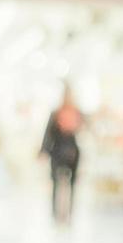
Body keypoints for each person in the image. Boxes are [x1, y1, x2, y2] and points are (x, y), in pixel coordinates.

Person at [40, 88, 83, 224]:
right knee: (60, 184)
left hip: (66, 152)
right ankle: (59, 213)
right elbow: (48, 134)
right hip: (64, 152)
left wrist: (44, 150)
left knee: (67, 184)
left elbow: (48, 134)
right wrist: (44, 150)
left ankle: (65, 214)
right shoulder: (62, 113)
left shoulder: (73, 113)